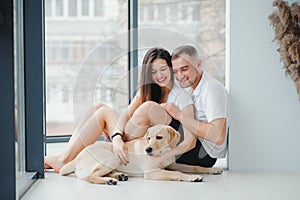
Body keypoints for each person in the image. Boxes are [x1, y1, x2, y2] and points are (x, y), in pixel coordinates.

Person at [45, 47, 196, 172]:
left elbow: (189, 137)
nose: (159, 76)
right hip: (134, 137)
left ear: (170, 68)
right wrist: (116, 138)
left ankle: (62, 160)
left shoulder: (181, 96)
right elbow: (126, 114)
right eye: (153, 72)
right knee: (98, 107)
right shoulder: (149, 90)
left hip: (149, 143)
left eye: (163, 69)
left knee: (104, 113)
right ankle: (65, 156)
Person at [159, 45, 228, 167]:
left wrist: (179, 115)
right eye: (175, 71)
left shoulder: (211, 90)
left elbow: (218, 136)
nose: (180, 76)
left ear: (198, 64)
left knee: (151, 110)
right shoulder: (190, 90)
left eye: (184, 69)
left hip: (205, 154)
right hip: (194, 144)